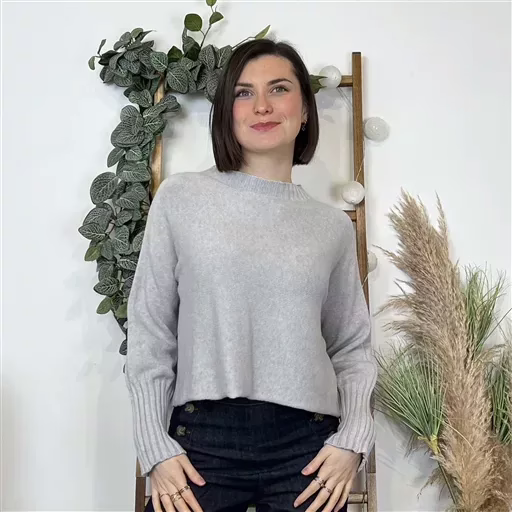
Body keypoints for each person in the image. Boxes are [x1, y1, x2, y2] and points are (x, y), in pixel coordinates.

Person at [125, 38, 377, 512]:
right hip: (199, 444)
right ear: (227, 111)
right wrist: (154, 447)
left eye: (278, 89)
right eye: (243, 92)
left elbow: (352, 347)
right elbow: (150, 331)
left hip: (308, 447)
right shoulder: (180, 199)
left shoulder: (331, 227)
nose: (262, 105)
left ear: (305, 110)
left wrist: (353, 440)